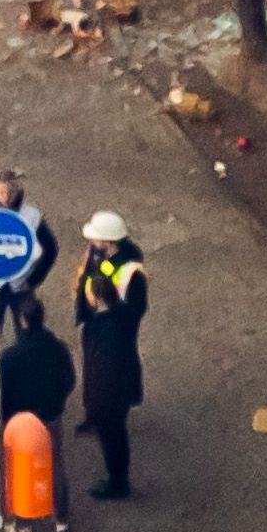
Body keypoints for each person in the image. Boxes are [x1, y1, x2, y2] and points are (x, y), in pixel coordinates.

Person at [74, 211, 148, 499]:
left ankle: (118, 481)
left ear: (110, 241)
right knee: (92, 379)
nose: (91, 241)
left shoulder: (132, 274)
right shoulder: (98, 253)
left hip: (114, 343)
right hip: (96, 330)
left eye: (96, 237)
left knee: (111, 420)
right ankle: (94, 413)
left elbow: (134, 315)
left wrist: (112, 302)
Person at [0, 298, 77, 532]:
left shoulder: (10, 357)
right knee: (55, 463)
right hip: (50, 415)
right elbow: (69, 379)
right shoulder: (58, 349)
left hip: (21, 422)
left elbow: (3, 392)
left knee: (21, 469)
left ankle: (23, 523)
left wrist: (6, 417)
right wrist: (57, 402)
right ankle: (61, 516)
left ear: (21, 321)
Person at [0, 170, 58, 322]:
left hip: (21, 286)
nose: (5, 197)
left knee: (26, 331)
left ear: (17, 191)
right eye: (1, 192)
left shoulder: (31, 216)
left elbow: (50, 249)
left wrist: (33, 280)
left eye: (10, 192)